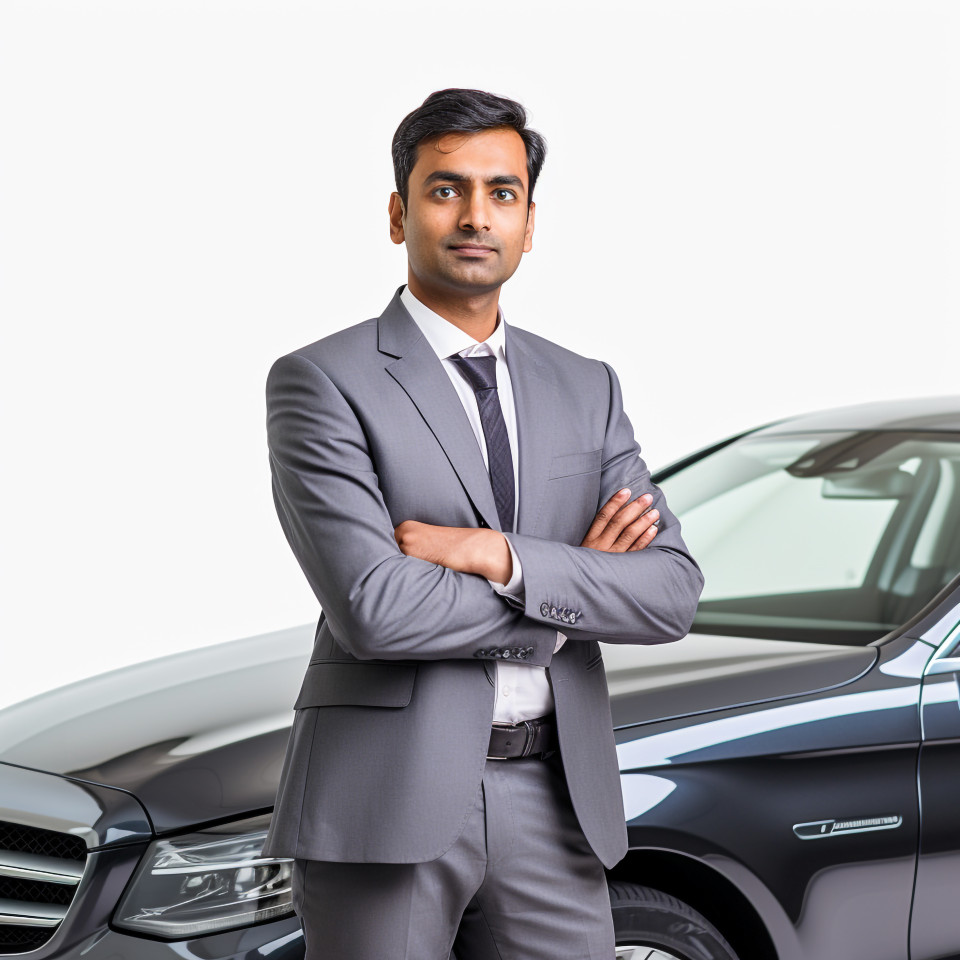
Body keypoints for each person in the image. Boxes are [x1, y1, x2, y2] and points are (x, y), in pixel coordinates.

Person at [260, 87, 703, 960]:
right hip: (388, 799)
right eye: (445, 189)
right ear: (399, 213)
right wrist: (568, 580)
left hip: (556, 791)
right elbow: (378, 610)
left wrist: (496, 556)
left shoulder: (587, 386)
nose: (475, 215)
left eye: (502, 193)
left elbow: (669, 595)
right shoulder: (322, 381)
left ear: (530, 222)